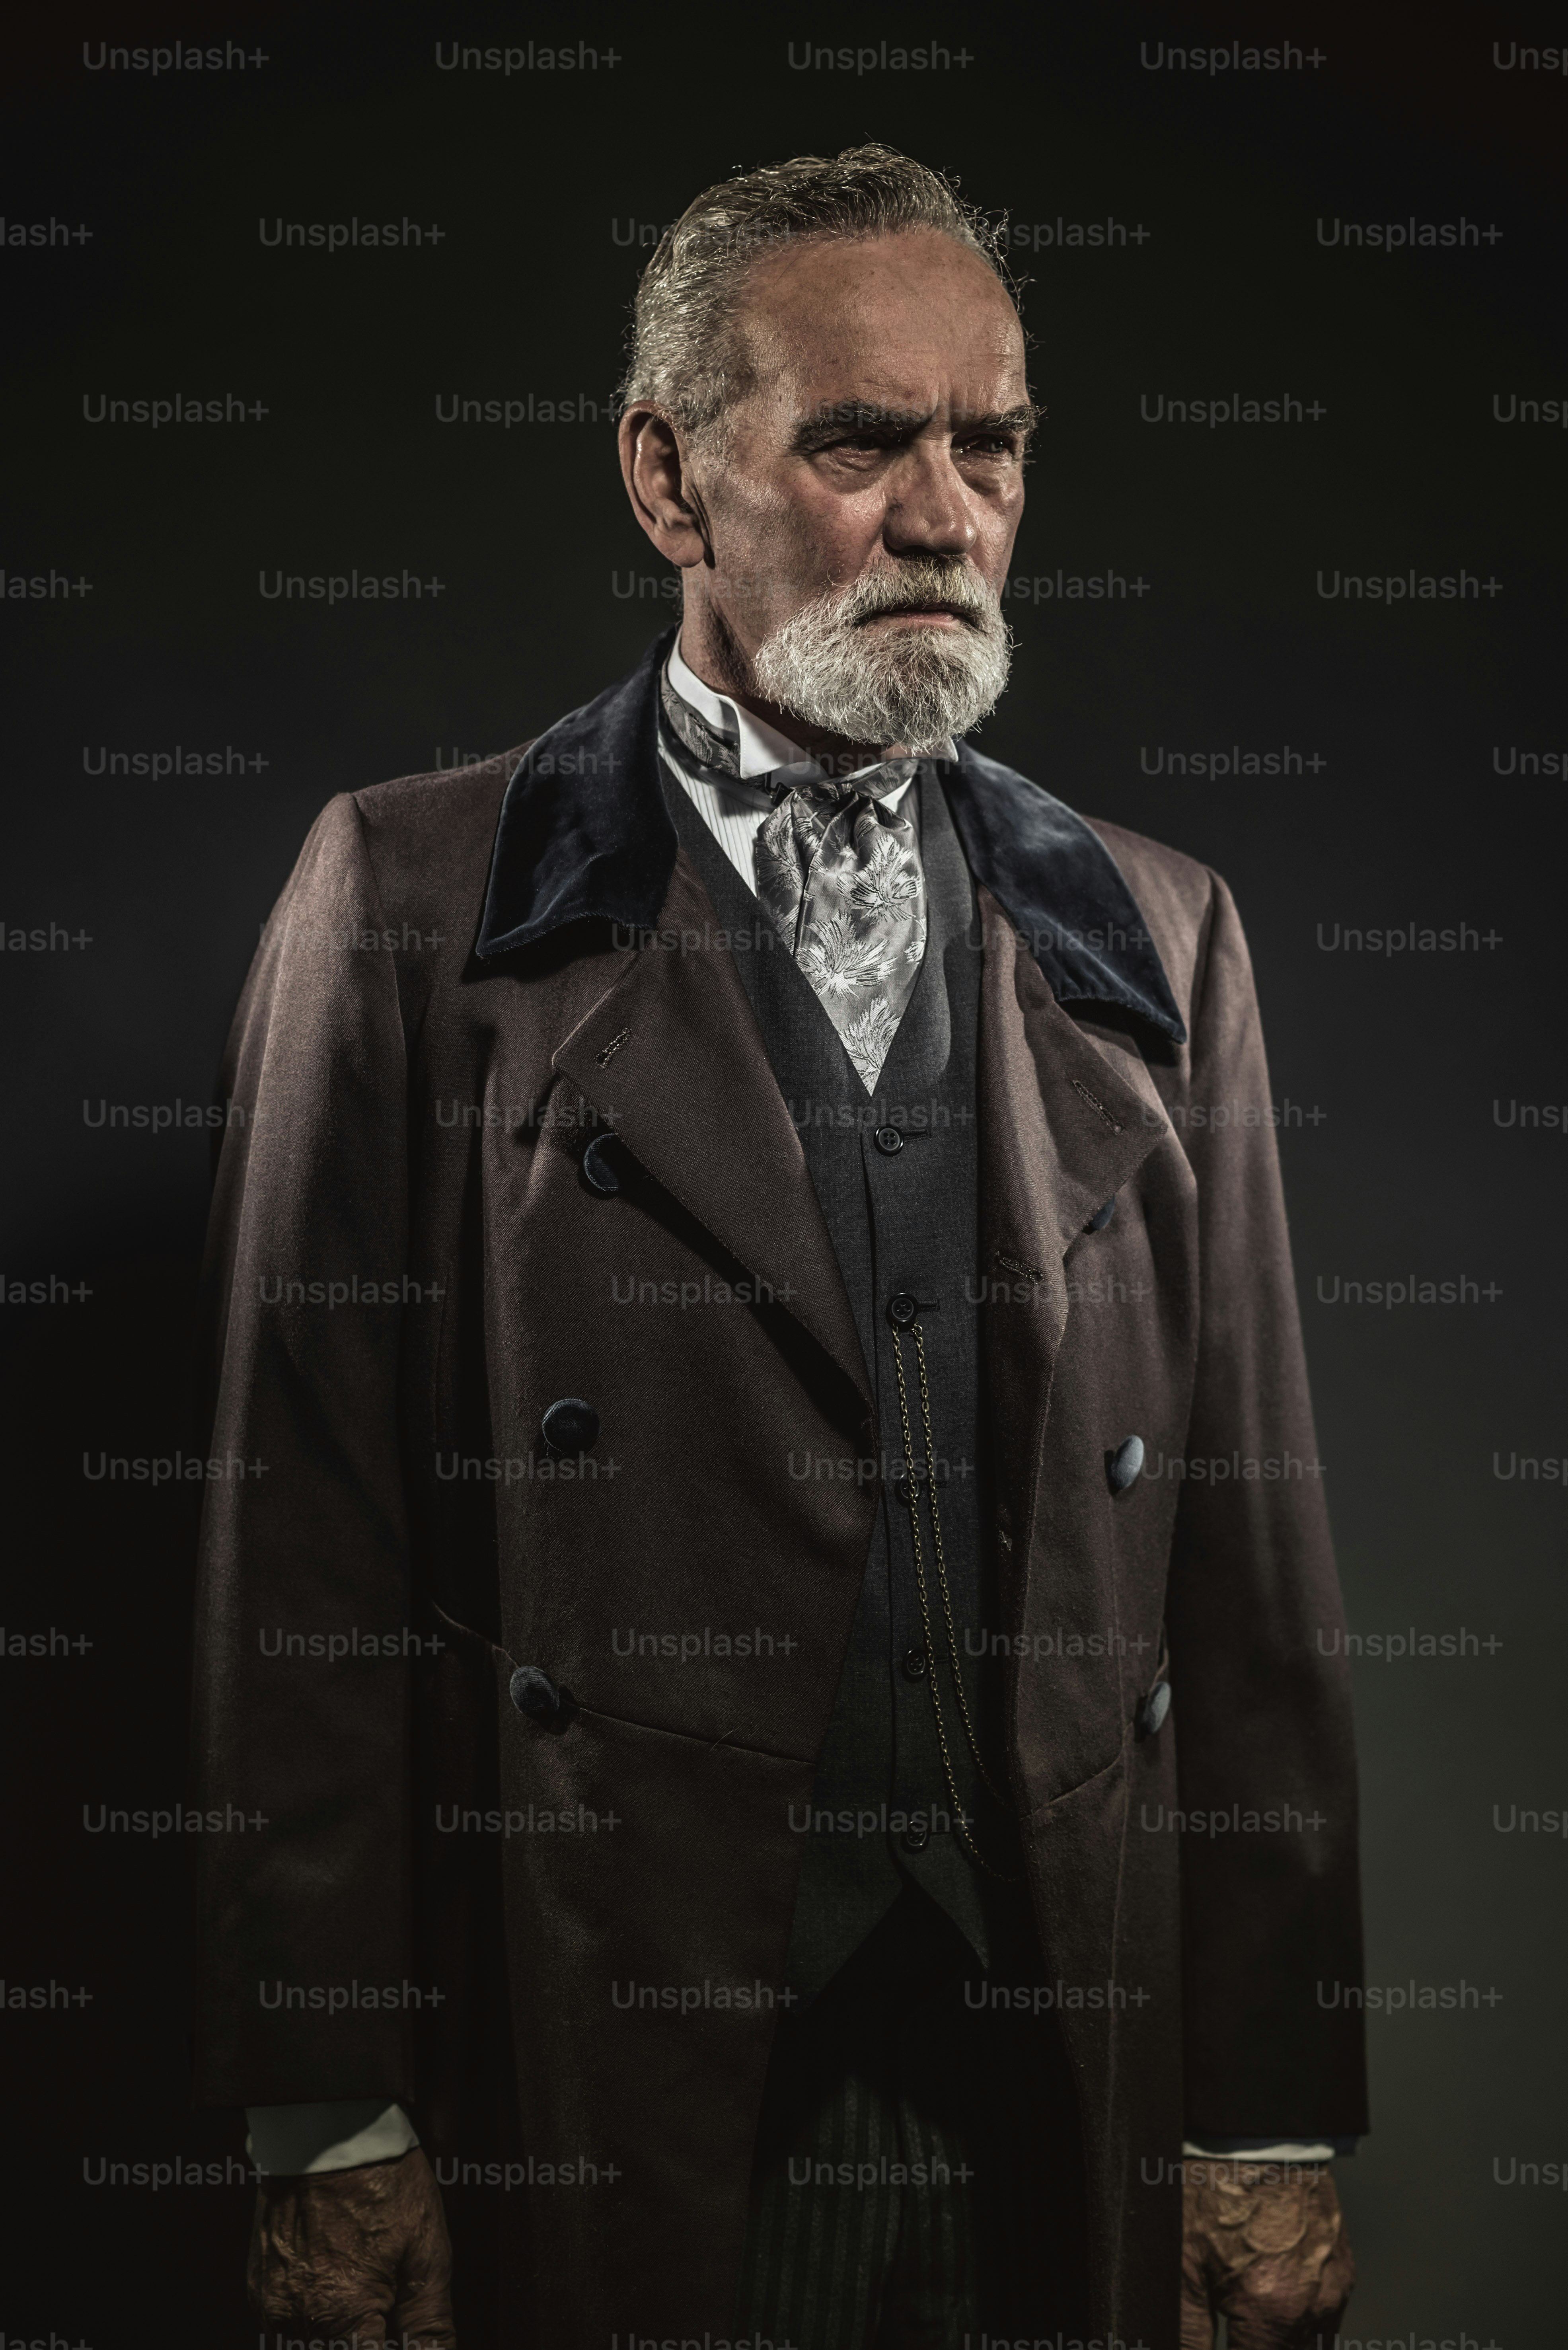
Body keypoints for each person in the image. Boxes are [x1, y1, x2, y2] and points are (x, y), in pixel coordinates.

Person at [192, 144, 1367, 2349]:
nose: (943, 513)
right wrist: (322, 2113)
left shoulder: (1162, 928)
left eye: (989, 443)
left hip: (1053, 2025)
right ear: (668, 479)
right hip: (618, 2022)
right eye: (858, 442)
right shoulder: (412, 899)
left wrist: (1271, 2103)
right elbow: (302, 1548)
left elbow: (1247, 1571)